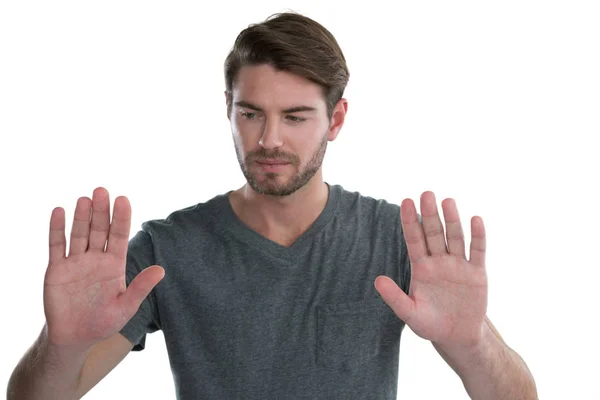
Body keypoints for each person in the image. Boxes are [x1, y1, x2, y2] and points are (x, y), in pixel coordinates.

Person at [7, 11, 538, 400]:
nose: (269, 141)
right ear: (229, 110)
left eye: (296, 117)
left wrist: (471, 345)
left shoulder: (396, 241)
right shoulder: (166, 249)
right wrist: (61, 343)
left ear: (336, 120)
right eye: (252, 114)